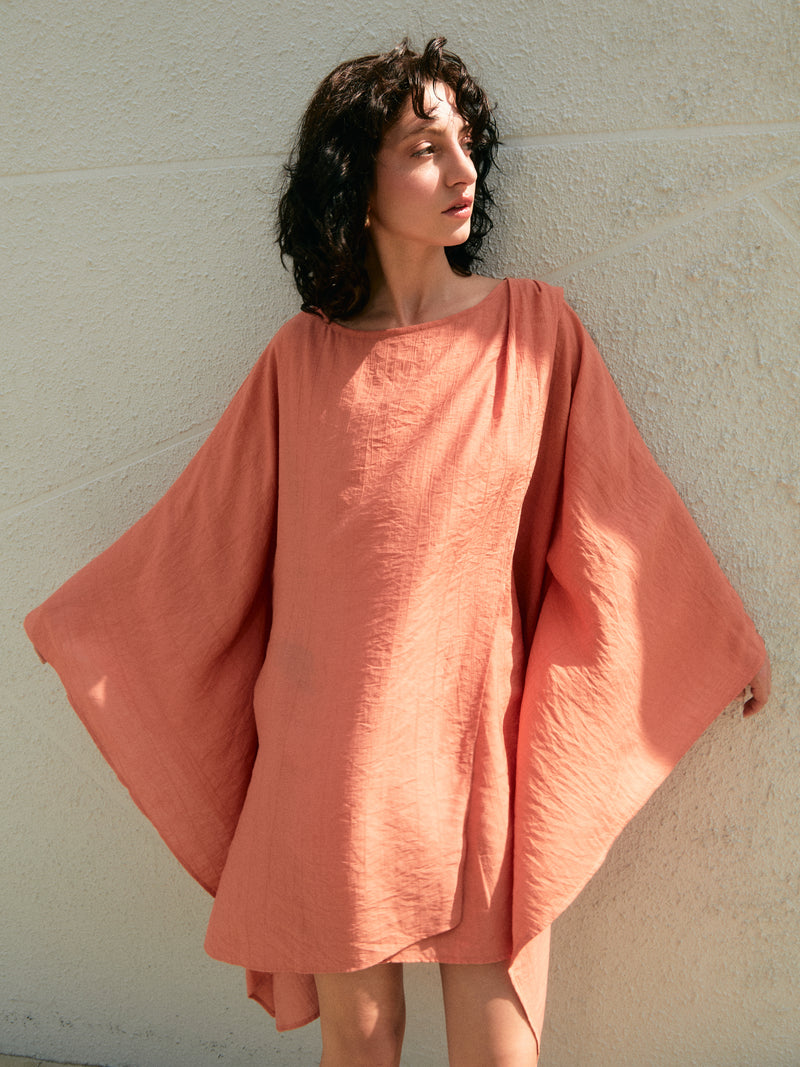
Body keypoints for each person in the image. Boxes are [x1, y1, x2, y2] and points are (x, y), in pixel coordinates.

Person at [25, 37, 770, 1067]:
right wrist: (84, 628)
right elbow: (203, 533)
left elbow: (616, 516)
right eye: (424, 146)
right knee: (362, 1040)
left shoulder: (533, 331)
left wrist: (711, 634)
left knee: (499, 1049)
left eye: (467, 145)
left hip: (481, 744)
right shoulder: (301, 358)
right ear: (355, 178)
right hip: (332, 749)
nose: (461, 172)